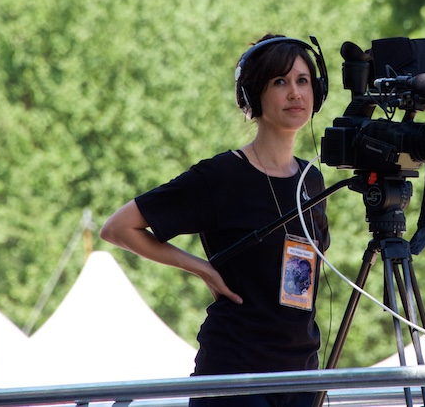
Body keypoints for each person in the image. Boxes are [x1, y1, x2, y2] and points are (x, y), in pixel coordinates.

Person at [100, 34, 331, 407]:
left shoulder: (312, 180)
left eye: (303, 81)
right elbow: (117, 227)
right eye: (280, 82)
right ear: (252, 96)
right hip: (234, 373)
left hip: (301, 373)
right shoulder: (222, 175)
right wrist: (201, 268)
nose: (295, 93)